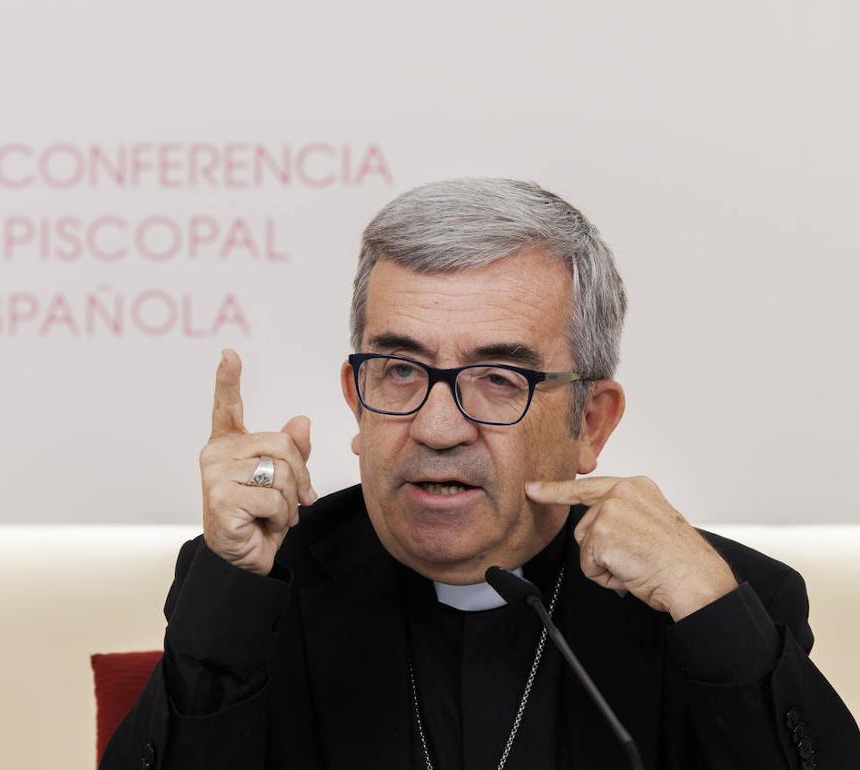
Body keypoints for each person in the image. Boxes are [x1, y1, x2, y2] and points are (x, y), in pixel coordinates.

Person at [99, 179, 860, 769]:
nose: (436, 427)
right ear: (354, 402)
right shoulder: (262, 588)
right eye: (399, 370)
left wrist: (713, 613)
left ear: (591, 421)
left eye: (498, 377)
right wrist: (229, 596)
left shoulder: (712, 602)